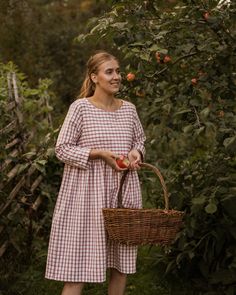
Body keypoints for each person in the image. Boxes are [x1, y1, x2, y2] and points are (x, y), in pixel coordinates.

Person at [45, 51, 146, 295]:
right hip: (86, 197)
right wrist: (98, 154)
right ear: (94, 77)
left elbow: (140, 140)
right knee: (77, 268)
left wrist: (136, 153)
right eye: (109, 71)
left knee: (120, 265)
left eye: (118, 71)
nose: (116, 77)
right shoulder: (80, 108)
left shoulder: (129, 110)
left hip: (122, 195)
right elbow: (62, 149)